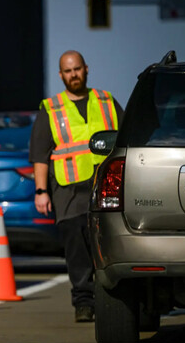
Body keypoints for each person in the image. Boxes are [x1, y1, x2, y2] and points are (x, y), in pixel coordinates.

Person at [29, 50, 123, 323]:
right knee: (77, 250)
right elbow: (40, 154)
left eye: (77, 69)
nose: (74, 75)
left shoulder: (106, 101)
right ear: (61, 75)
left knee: (108, 245)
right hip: (69, 192)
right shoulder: (51, 108)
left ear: (86, 69)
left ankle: (112, 298)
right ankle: (83, 302)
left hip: (105, 186)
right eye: (68, 71)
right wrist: (41, 191)